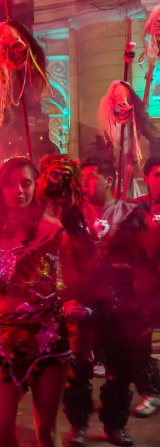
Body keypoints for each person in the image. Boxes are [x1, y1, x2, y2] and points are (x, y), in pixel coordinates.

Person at [0, 156, 77, 447]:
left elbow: (74, 280)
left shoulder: (54, 229)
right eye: (11, 185)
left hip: (48, 337)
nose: (19, 191)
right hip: (4, 338)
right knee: (0, 431)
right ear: (0, 188)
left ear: (36, 186)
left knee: (46, 431)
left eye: (26, 183)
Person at [63, 157, 150, 446]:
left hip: (119, 301)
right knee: (77, 367)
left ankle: (114, 426)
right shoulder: (73, 214)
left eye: (90, 177)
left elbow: (141, 259)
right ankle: (77, 426)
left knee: (119, 369)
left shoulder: (130, 213)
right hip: (83, 298)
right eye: (83, 178)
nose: (84, 183)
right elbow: (64, 257)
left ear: (108, 181)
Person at [130, 156, 160, 418]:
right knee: (142, 343)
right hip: (145, 286)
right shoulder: (136, 208)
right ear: (147, 177)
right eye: (158, 175)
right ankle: (149, 393)